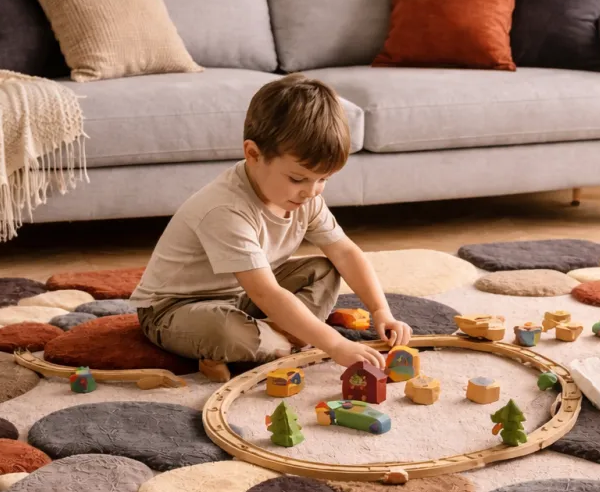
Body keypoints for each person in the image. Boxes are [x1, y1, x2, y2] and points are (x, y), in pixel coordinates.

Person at [131, 74, 411, 382]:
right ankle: (274, 340)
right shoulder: (226, 209)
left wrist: (381, 310)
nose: (312, 191)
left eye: (323, 179)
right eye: (297, 178)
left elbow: (344, 251)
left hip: (243, 295)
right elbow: (266, 293)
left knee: (325, 270)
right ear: (253, 154)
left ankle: (272, 340)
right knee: (229, 332)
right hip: (176, 309)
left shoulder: (306, 196)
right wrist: (333, 344)